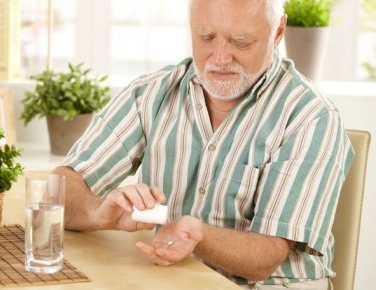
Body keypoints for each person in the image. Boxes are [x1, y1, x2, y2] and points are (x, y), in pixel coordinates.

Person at [53, 0, 354, 289]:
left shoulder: (311, 117)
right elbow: (60, 187)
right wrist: (96, 212)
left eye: (241, 41)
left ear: (277, 32)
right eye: (206, 37)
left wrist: (198, 234)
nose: (220, 57)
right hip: (177, 278)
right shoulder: (151, 93)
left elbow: (266, 258)